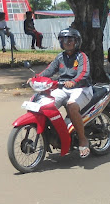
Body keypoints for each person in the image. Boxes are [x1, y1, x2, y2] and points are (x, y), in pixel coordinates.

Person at [31, 27, 92, 159]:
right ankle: (55, 133)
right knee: (44, 104)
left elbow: (83, 73)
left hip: (81, 88)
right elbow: (48, 71)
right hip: (63, 88)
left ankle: (82, 139)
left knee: (72, 106)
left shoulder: (82, 56)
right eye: (64, 40)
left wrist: (74, 81)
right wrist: (36, 78)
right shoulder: (60, 57)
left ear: (77, 41)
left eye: (70, 39)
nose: (67, 42)